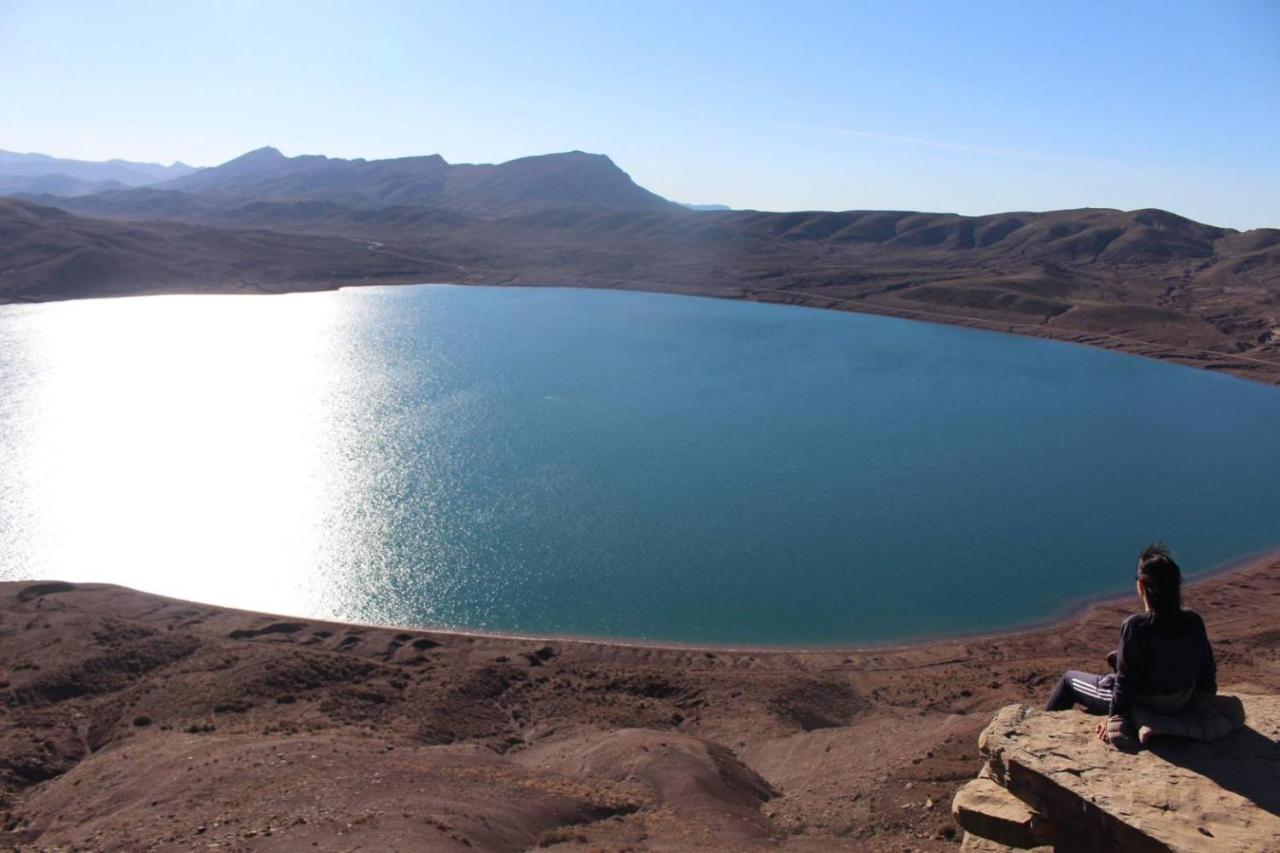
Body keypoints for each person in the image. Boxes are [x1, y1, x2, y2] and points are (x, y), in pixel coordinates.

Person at [1044, 543, 1217, 745]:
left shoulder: (1136, 626)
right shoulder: (1193, 620)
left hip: (1145, 703)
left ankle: (1039, 733)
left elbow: (1126, 683)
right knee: (1114, 671)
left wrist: (1116, 720)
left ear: (1142, 585)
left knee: (1069, 679)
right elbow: (1207, 671)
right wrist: (1202, 706)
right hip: (1182, 701)